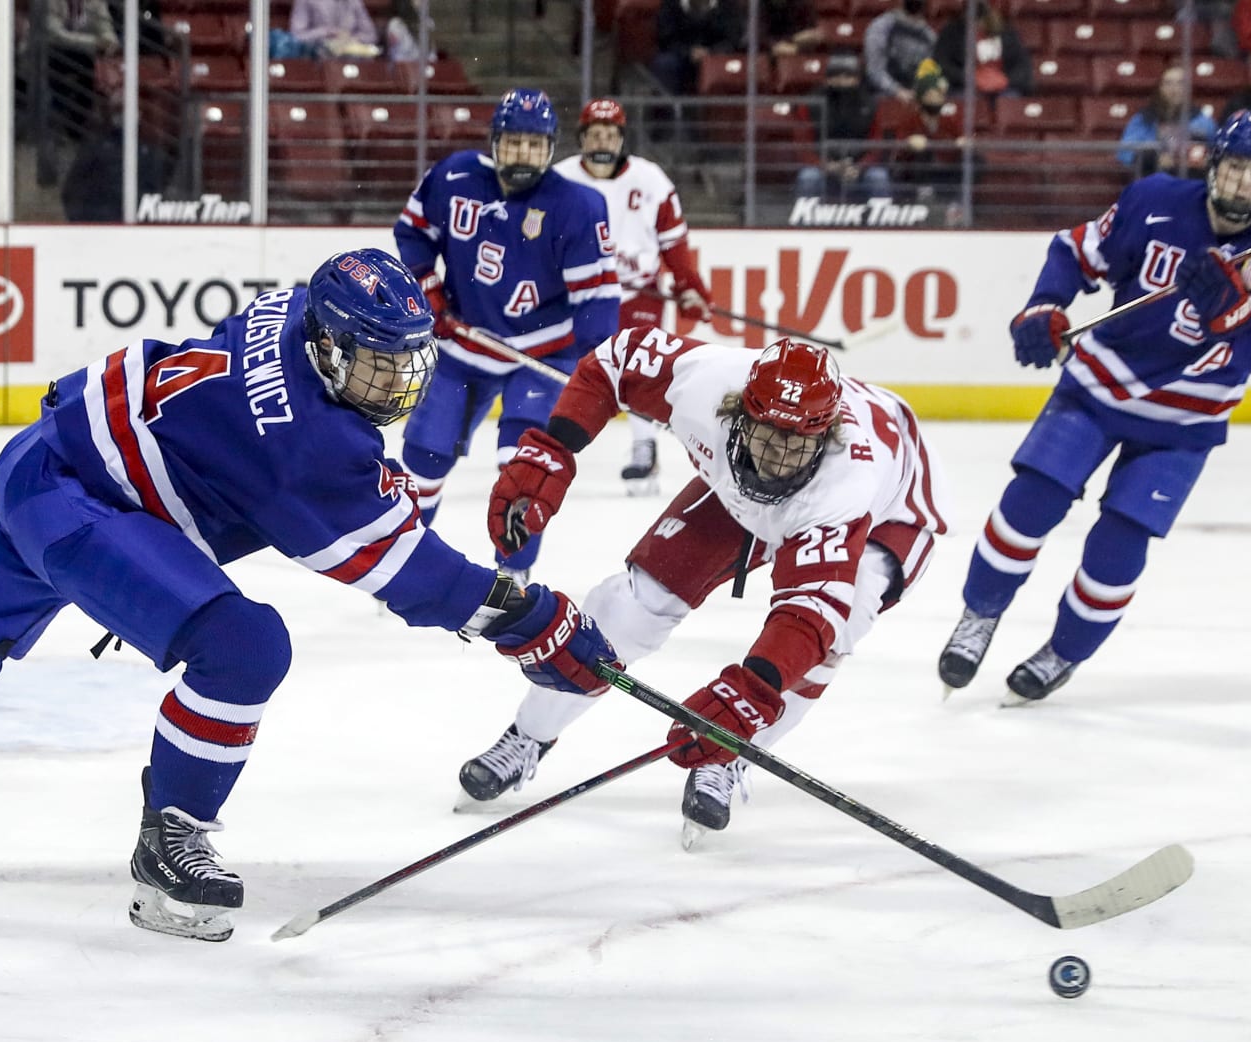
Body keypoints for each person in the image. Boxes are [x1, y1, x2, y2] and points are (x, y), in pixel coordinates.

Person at [0, 249, 620, 943]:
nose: (398, 385)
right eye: (378, 366)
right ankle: (168, 851)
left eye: (405, 363)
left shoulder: (294, 306)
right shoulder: (311, 447)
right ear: (330, 347)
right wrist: (536, 621)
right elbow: (413, 580)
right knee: (244, 648)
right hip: (87, 503)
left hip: (46, 457)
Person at [457, 332, 949, 848]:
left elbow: (810, 614)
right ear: (739, 412)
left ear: (825, 438)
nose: (779, 458)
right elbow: (611, 362)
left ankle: (731, 752)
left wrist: (752, 690)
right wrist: (554, 450)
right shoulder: (704, 383)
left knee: (830, 638)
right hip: (744, 489)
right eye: (767, 435)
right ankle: (528, 735)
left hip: (889, 519)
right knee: (632, 605)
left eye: (796, 443)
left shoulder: (845, 484)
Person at [938, 111, 1251, 704]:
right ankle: (980, 613)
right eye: (1236, 168)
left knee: (1118, 544)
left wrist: (1241, 324)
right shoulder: (1153, 201)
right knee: (1030, 503)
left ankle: (1064, 652)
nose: (1244, 184)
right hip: (1097, 389)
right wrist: (1043, 306)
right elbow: (1075, 252)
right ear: (1214, 165)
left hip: (1184, 423)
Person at [393, 88, 620, 583]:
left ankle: (512, 577)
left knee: (523, 470)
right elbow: (412, 233)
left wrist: (595, 367)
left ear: (552, 149)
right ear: (495, 141)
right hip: (464, 344)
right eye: (514, 142)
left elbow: (597, 302)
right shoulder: (453, 176)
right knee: (422, 459)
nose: (524, 154)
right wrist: (426, 286)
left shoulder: (577, 205)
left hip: (545, 351)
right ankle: (404, 562)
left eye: (536, 145)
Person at [553, 98, 713, 495]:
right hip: (579, 292)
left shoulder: (651, 178)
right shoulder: (558, 178)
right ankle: (547, 440)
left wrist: (688, 284)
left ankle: (644, 447)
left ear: (622, 138)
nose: (602, 140)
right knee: (561, 362)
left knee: (637, 371)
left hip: (639, 293)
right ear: (582, 137)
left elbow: (673, 241)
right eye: (594, 133)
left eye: (610, 133)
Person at [865, 59, 967, 208]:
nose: (936, 98)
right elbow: (900, 146)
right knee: (921, 152)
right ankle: (922, 196)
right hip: (911, 170)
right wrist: (910, 143)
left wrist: (963, 142)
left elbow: (962, 137)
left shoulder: (948, 118)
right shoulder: (910, 117)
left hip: (943, 165)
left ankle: (958, 202)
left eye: (939, 94)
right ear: (921, 97)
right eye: (932, 94)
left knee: (974, 159)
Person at [796, 54, 893, 202]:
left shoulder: (872, 105)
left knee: (879, 178)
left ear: (857, 79)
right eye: (835, 75)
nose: (842, 81)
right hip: (823, 164)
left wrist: (859, 167)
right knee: (808, 178)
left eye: (848, 76)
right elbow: (803, 144)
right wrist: (827, 166)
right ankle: (805, 225)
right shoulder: (810, 105)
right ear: (827, 79)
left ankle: (881, 225)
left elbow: (877, 143)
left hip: (860, 164)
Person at [1119, 66, 1217, 177]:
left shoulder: (1204, 122)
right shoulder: (1143, 120)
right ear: (1160, 88)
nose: (1174, 89)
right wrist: (1155, 158)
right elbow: (1125, 154)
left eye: (1180, 83)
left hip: (1191, 183)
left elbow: (1215, 156)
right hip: (1151, 181)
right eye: (1168, 83)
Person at [933, 3, 1033, 99]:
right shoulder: (951, 32)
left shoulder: (1006, 32)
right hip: (964, 88)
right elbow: (942, 63)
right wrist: (969, 78)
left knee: (1010, 100)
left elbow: (1023, 65)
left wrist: (1005, 80)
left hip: (1003, 89)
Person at [652, 0, 745, 96]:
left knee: (736, 66)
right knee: (664, 63)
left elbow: (733, 39)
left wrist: (710, 53)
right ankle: (668, 109)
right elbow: (665, 38)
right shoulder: (671, 4)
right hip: (680, 56)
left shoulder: (728, 4)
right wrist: (689, 52)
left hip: (717, 57)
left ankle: (724, 109)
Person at [864, 0, 938, 102]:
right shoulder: (881, 27)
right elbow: (875, 71)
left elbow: (929, 70)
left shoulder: (928, 35)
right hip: (883, 93)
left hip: (914, 94)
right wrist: (897, 91)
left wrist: (922, 90)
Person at [291, 0, 380, 58]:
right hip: (317, 59)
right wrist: (327, 32)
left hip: (352, 57)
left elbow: (371, 36)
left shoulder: (354, 2)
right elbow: (296, 36)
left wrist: (352, 38)